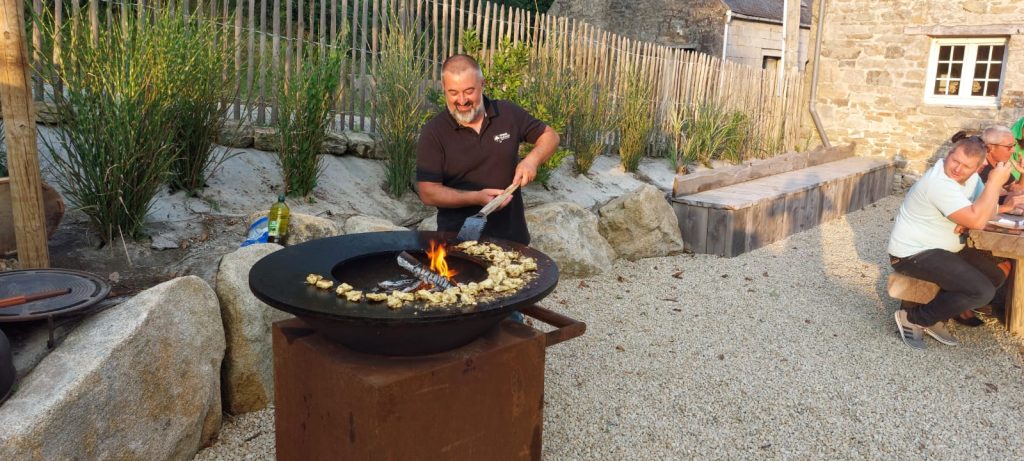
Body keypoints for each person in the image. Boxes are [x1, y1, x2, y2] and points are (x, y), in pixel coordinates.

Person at [888, 136, 1021, 349]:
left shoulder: (972, 179)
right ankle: (914, 318)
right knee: (981, 292)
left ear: (978, 167)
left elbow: (983, 211)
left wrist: (971, 217)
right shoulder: (938, 183)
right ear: (948, 154)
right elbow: (978, 220)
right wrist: (993, 185)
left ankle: (938, 315)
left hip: (945, 248)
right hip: (912, 253)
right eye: (955, 160)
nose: (957, 169)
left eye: (966, 166)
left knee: (995, 275)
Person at [415, 54, 560, 245]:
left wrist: (532, 160)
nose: (462, 100)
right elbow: (428, 192)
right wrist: (476, 198)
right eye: (453, 92)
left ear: (482, 84)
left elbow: (550, 136)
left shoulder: (507, 113)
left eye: (469, 91)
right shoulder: (434, 132)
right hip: (458, 243)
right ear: (443, 88)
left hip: (513, 240)